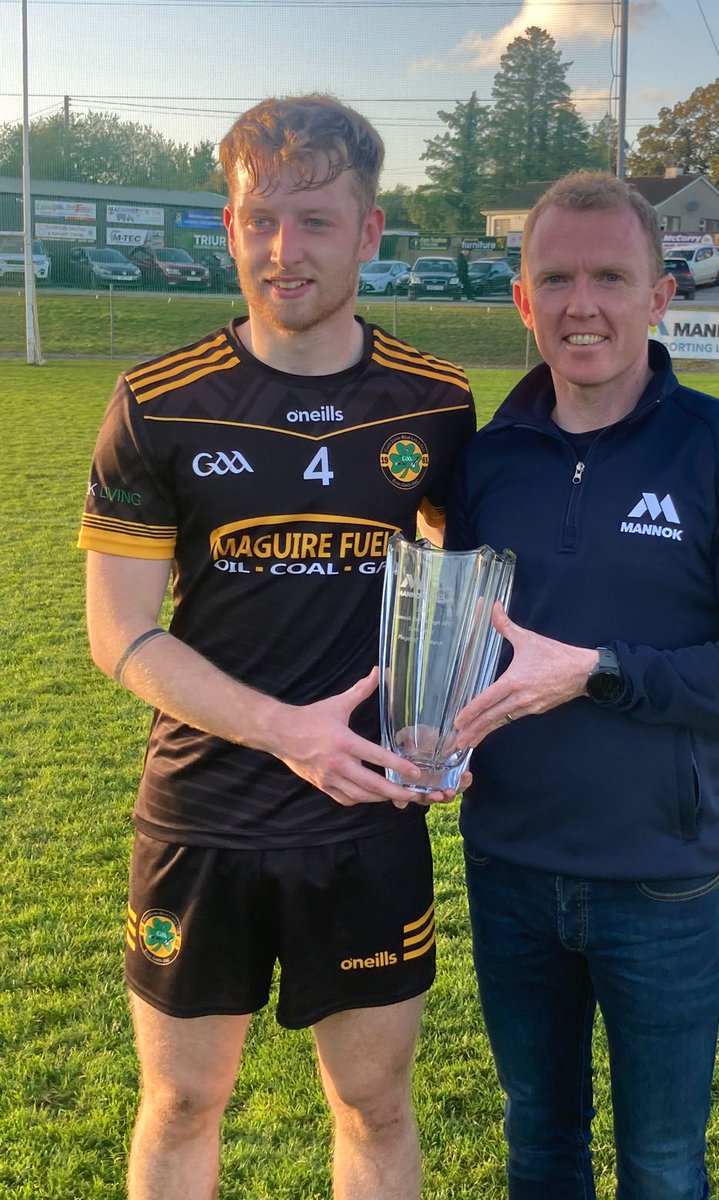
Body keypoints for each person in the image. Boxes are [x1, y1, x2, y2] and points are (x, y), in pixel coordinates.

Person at [77, 94, 475, 1200]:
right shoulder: (157, 404)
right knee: (183, 1103)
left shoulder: (434, 405)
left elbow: (455, 587)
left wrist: (447, 710)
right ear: (229, 223)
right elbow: (119, 631)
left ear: (369, 232)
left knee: (375, 1105)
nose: (282, 250)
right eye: (261, 220)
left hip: (369, 824)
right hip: (202, 816)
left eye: (313, 220)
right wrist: (284, 731)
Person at [446, 170, 719, 1200]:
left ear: (661, 296)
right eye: (556, 278)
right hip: (509, 869)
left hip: (661, 879)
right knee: (540, 1143)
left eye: (611, 276)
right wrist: (429, 733)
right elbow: (453, 641)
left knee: (661, 1165)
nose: (583, 305)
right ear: (522, 299)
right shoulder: (481, 465)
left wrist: (601, 673)